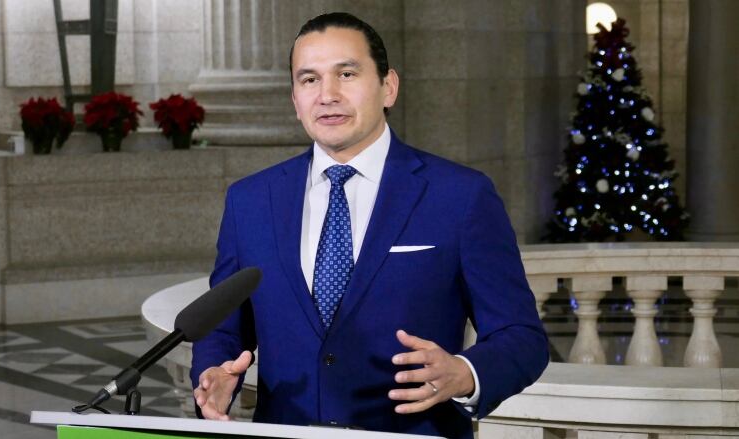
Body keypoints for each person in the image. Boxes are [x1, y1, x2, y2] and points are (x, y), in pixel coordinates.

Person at [191, 12, 548, 438]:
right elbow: (223, 326)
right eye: (309, 79)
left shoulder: (460, 196)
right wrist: (214, 372)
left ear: (388, 86)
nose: (327, 95)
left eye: (346, 73)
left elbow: (522, 336)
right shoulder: (249, 200)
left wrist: (466, 373)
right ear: (294, 98)